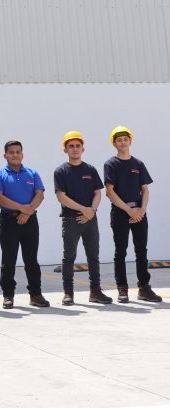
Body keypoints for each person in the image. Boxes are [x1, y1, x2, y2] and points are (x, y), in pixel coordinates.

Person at [54, 131, 112, 306]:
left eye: (78, 146)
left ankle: (95, 292)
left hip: (90, 220)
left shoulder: (90, 169)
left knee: (93, 256)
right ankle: (68, 293)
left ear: (83, 149)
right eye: (71, 146)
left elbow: (97, 193)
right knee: (69, 257)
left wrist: (91, 211)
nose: (75, 149)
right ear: (65, 149)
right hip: (71, 220)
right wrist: (84, 210)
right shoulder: (61, 171)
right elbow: (61, 197)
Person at [104, 126, 160, 303]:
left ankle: (144, 288)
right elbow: (109, 192)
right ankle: (122, 289)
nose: (123, 142)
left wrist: (142, 210)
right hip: (121, 213)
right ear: (114, 143)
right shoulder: (111, 164)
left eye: (125, 139)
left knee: (141, 250)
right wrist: (129, 211)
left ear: (130, 141)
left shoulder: (138, 164)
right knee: (120, 251)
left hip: (139, 212)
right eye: (119, 140)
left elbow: (145, 189)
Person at [0, 140, 49, 308]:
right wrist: (22, 209)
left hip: (30, 220)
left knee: (31, 259)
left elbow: (40, 194)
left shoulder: (32, 173)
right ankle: (8, 296)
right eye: (11, 152)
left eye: (18, 152)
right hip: (8, 220)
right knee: (8, 259)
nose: (15, 155)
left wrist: (27, 212)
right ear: (5, 155)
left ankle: (36, 294)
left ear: (22, 154)